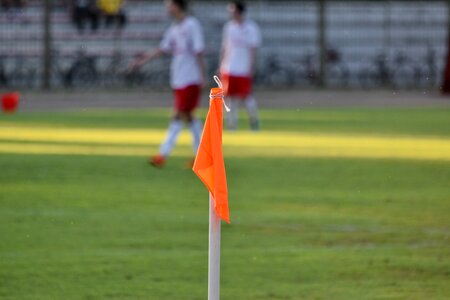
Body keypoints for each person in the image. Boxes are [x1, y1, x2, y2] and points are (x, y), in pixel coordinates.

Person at [130, 0, 205, 168]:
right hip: (178, 79)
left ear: (178, 6)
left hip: (190, 78)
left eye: (169, 5)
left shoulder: (192, 25)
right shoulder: (174, 28)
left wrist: (202, 76)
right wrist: (141, 61)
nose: (167, 8)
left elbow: (199, 51)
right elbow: (162, 49)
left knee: (178, 115)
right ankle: (201, 155)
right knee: (189, 117)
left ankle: (163, 155)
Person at [219, 0, 261, 131]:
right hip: (229, 68)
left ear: (239, 11)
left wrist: (251, 66)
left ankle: (254, 121)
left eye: (233, 10)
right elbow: (225, 48)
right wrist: (221, 65)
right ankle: (232, 126)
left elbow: (253, 49)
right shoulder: (229, 27)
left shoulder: (251, 28)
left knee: (247, 97)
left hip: (243, 69)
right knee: (230, 98)